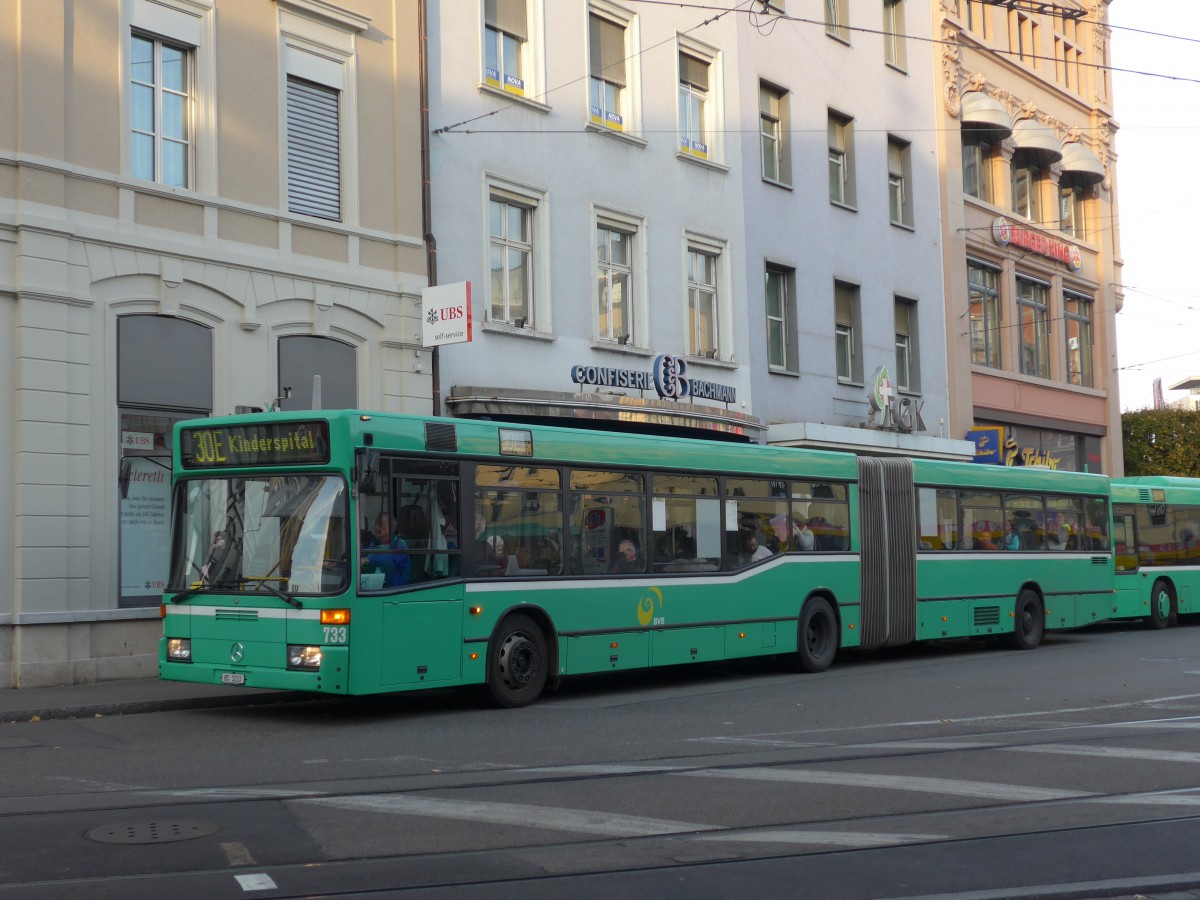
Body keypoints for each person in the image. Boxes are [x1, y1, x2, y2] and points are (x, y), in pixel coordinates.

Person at [362, 512, 409, 586]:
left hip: (397, 591)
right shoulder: (373, 543)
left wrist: (367, 560)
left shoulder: (400, 544)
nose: (377, 527)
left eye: (381, 525)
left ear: (391, 527)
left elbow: (387, 559)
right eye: (376, 524)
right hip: (377, 588)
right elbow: (359, 559)